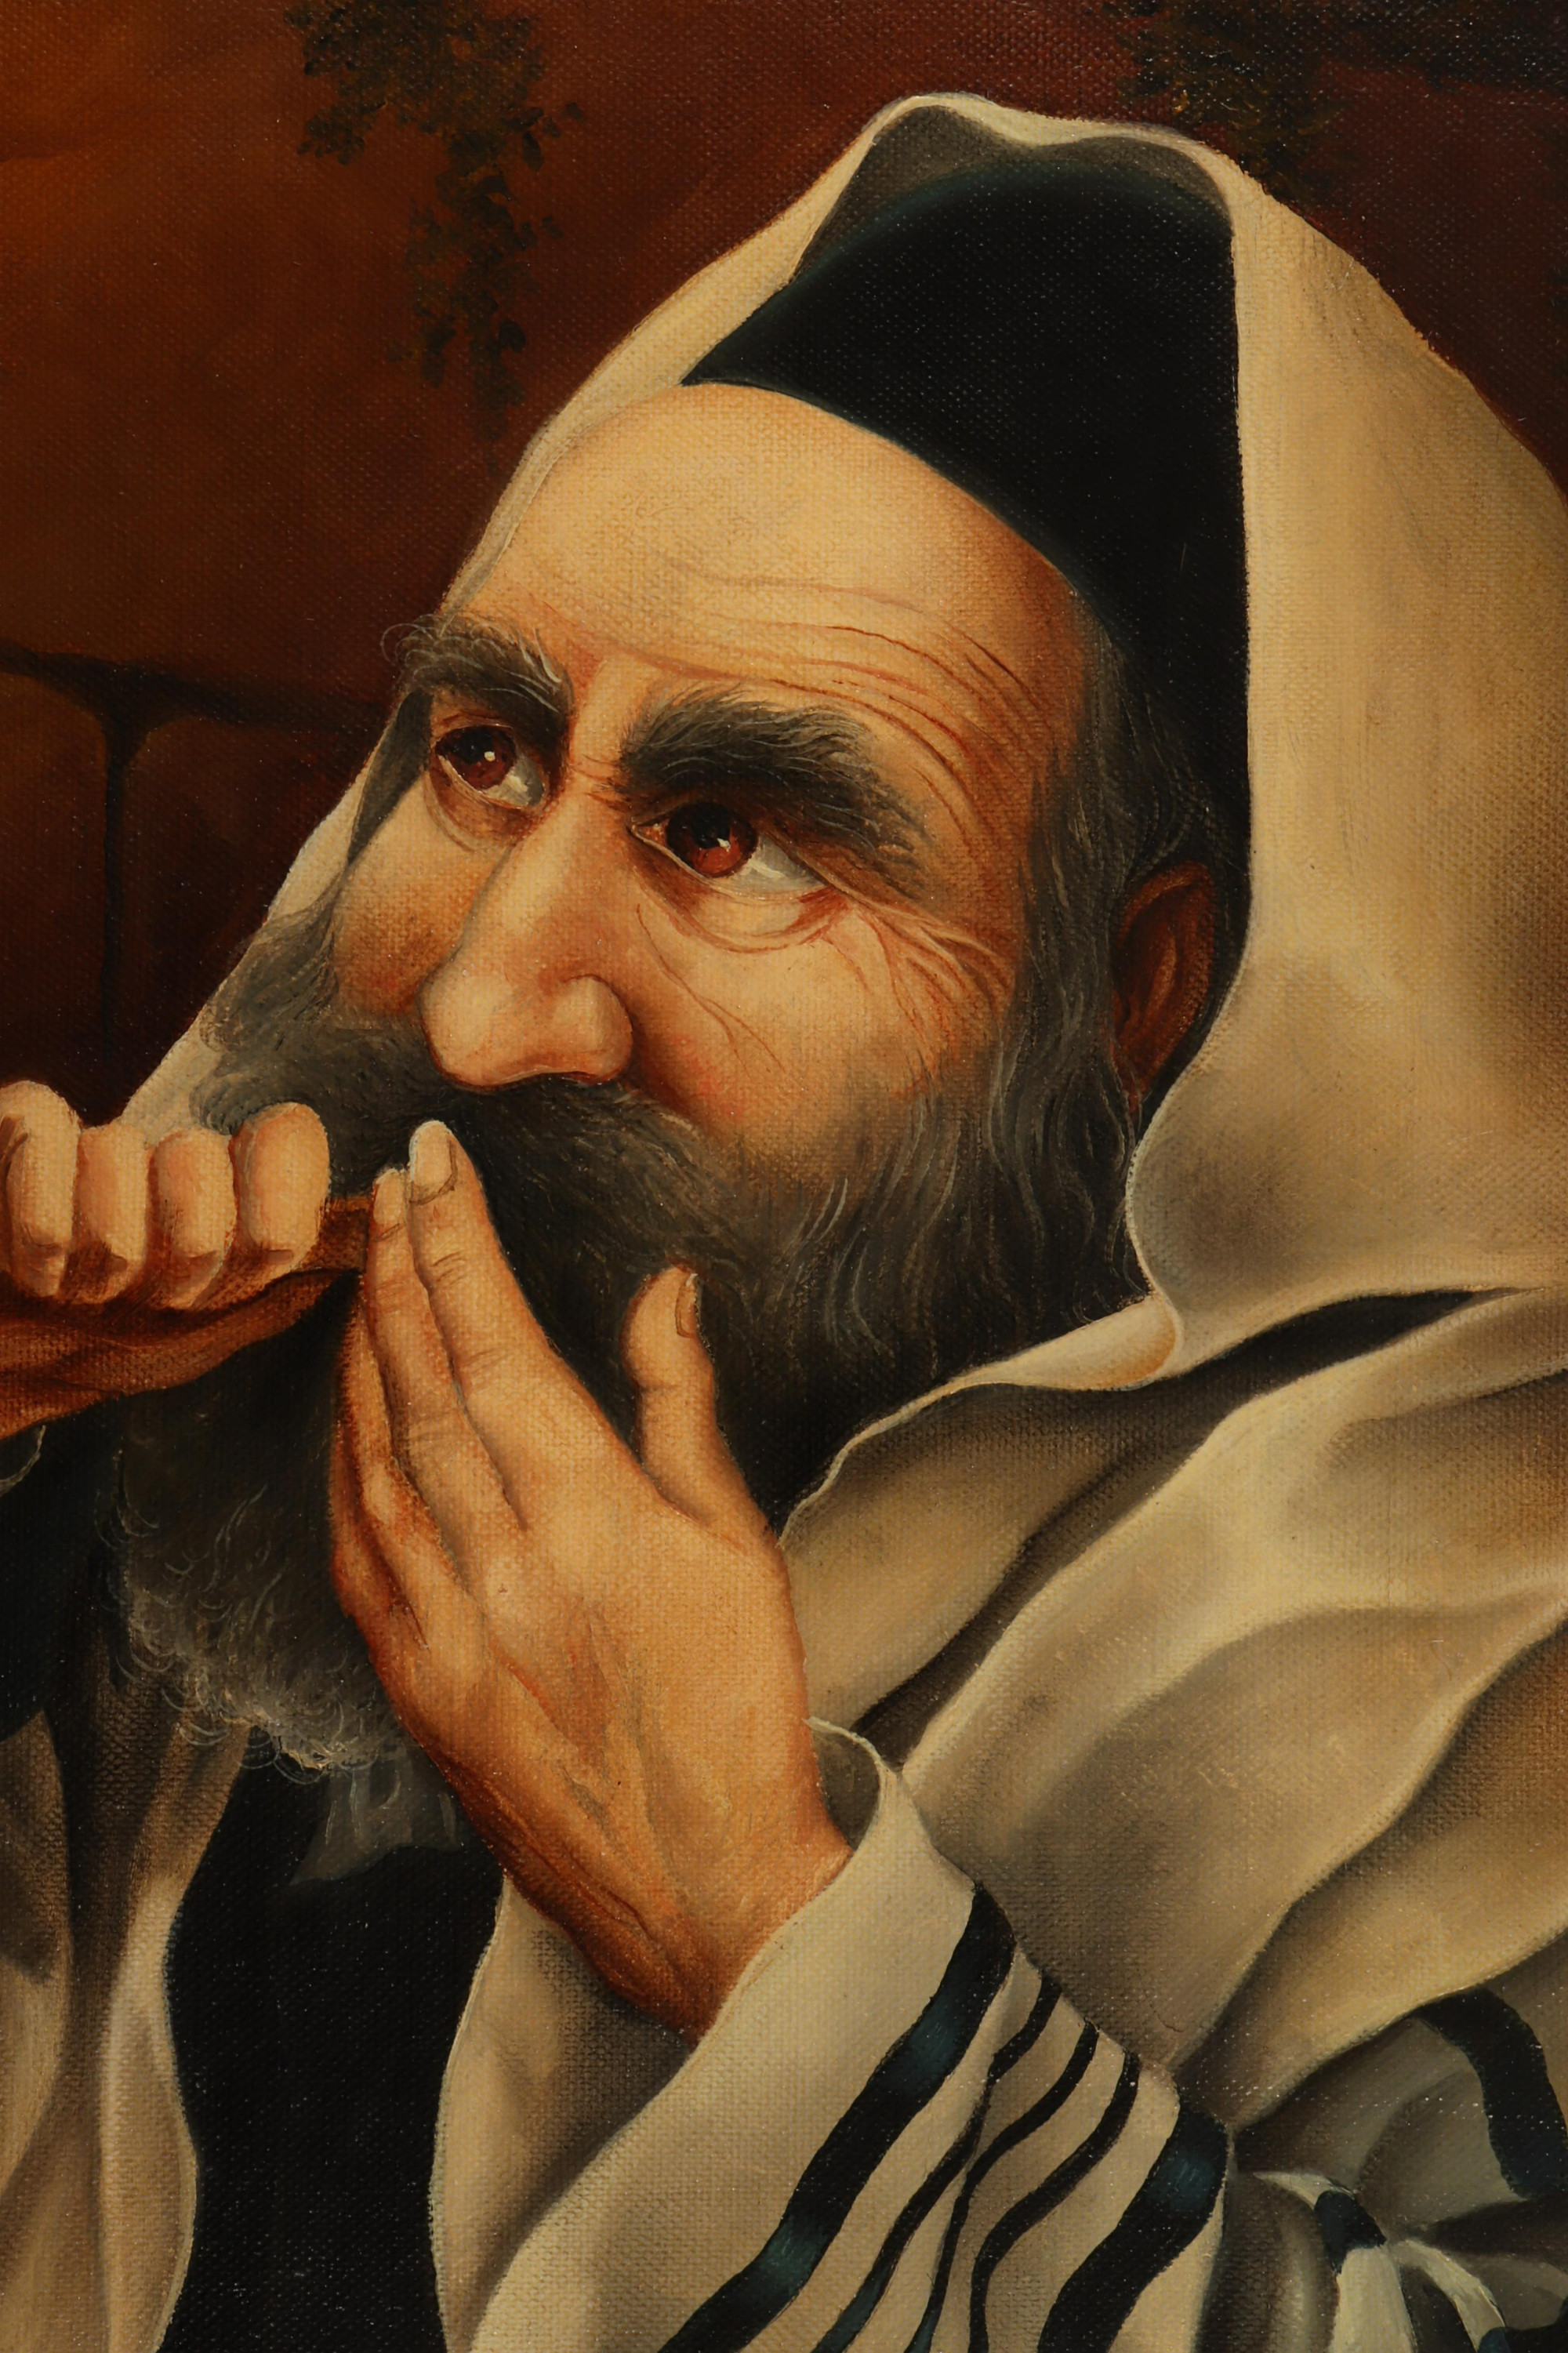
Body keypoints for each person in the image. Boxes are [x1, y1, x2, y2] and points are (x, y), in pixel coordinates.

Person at [3, 93, 1568, 2352]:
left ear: (1142, 990)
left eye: (732, 835)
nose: (480, 1004)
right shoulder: (179, 1524)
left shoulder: (1492, 1705)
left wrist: (757, 1921)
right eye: (484, 754)